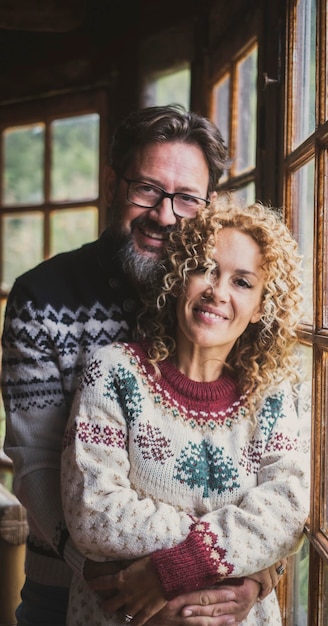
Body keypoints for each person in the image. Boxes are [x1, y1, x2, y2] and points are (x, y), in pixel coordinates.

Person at [1, 105, 271, 626]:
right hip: (69, 589)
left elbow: (268, 473)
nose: (165, 214)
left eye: (186, 198)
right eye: (146, 188)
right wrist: (105, 577)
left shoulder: (219, 309)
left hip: (215, 594)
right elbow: (33, 460)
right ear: (112, 184)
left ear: (207, 205)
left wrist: (257, 577)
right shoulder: (41, 297)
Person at [61, 197, 310, 626]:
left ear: (260, 309)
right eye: (204, 268)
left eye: (243, 282)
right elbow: (92, 511)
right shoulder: (114, 371)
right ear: (179, 276)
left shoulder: (273, 394)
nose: (217, 291)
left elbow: (286, 510)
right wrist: (241, 556)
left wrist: (170, 571)